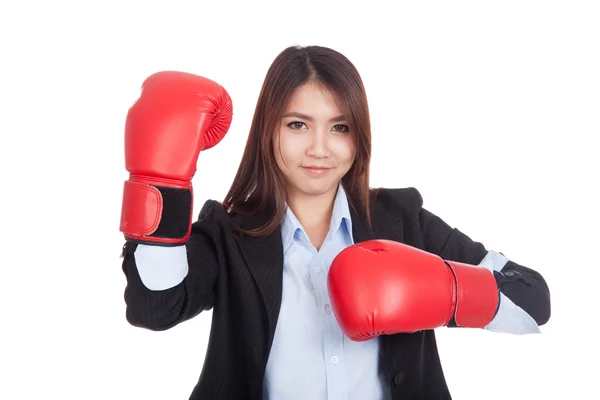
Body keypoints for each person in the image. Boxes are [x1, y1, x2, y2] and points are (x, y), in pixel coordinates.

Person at [119, 45, 551, 400]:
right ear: (269, 131)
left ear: (358, 135)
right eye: (298, 125)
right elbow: (155, 307)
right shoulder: (229, 233)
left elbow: (533, 300)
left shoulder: (403, 221)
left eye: (339, 127)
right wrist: (158, 182)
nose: (320, 149)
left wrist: (449, 292)